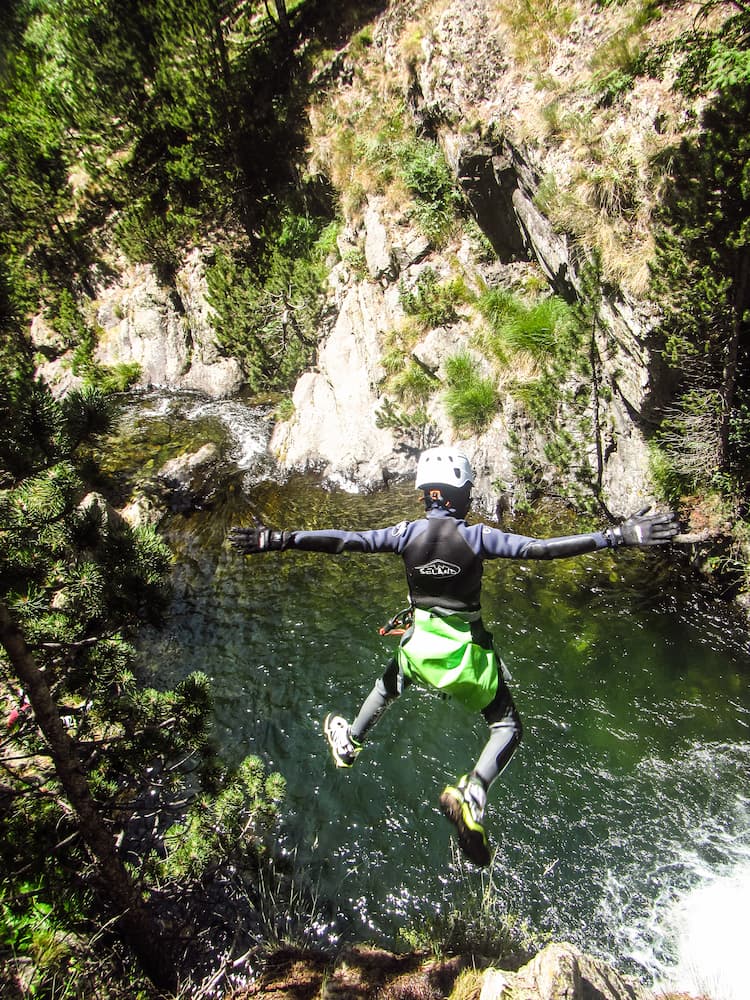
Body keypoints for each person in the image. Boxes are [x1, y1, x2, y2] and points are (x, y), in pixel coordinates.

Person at [229, 447, 678, 867]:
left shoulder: (403, 534)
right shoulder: (477, 537)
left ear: (427, 493)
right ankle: (474, 792)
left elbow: (345, 540)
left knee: (392, 679)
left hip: (420, 648)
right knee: (508, 727)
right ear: (457, 494)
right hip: (467, 658)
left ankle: (350, 743)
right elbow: (541, 549)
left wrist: (278, 538)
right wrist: (615, 537)